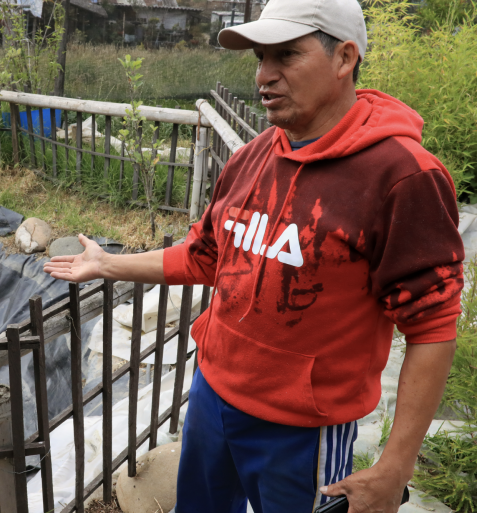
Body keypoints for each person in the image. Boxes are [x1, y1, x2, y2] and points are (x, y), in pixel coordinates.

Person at [43, 0, 464, 510]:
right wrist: (107, 265)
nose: (265, 76)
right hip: (211, 398)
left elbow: (432, 326)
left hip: (301, 431)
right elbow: (204, 256)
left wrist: (395, 467)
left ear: (345, 57)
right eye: (260, 59)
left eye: (286, 55)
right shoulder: (251, 157)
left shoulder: (401, 176)